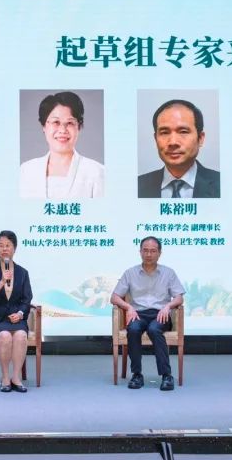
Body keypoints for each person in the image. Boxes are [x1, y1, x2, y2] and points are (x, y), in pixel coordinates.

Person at [110, 236, 185, 391]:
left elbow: (179, 297)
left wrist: (168, 306)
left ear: (159, 253)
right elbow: (114, 297)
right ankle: (137, 374)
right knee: (133, 329)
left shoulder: (168, 273)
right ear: (140, 252)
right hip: (138, 313)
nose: (149, 254)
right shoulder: (130, 273)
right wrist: (128, 307)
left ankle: (166, 375)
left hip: (160, 314)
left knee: (154, 329)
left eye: (153, 251)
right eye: (145, 250)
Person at [19, 92, 105, 198]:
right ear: (44, 126)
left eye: (70, 123)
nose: (62, 130)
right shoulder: (26, 171)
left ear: (79, 127)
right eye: (56, 122)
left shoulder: (97, 172)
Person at [0, 230, 33, 392]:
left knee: (21, 336)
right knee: (4, 336)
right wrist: (2, 282)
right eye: (1, 245)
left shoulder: (23, 273)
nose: (4, 249)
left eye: (8, 245)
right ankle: (5, 377)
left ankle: (16, 378)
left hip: (16, 318)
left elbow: (27, 299)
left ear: (14, 248)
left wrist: (21, 314)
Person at [137, 99, 220, 198]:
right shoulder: (137, 186)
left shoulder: (222, 185)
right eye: (164, 132)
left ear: (200, 138)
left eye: (183, 132)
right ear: (155, 139)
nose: (173, 142)